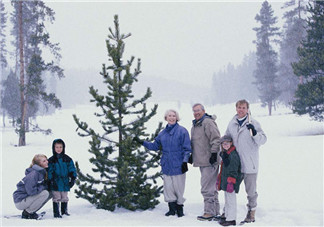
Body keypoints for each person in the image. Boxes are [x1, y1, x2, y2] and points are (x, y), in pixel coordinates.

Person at [133, 109, 192, 217]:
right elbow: (154, 146)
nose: (172, 117)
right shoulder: (162, 134)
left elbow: (187, 148)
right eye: (169, 115)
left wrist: (185, 162)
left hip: (179, 164)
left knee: (178, 187)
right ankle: (171, 208)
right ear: (166, 118)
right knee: (168, 187)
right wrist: (142, 142)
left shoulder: (182, 131)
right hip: (166, 165)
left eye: (174, 116)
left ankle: (179, 209)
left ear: (177, 117)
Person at [224, 99, 267, 224]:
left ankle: (251, 212)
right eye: (239, 107)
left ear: (247, 109)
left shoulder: (253, 123)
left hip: (250, 164)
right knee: (230, 188)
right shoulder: (232, 123)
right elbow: (227, 138)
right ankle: (228, 212)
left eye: (243, 108)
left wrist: (254, 133)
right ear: (236, 108)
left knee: (251, 191)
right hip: (235, 164)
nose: (241, 110)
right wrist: (224, 152)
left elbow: (263, 140)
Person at [190, 103, 221, 221]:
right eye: (194, 111)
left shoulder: (207, 122)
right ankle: (215, 211)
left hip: (209, 161)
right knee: (211, 187)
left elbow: (216, 138)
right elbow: (197, 142)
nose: (196, 112)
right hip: (202, 160)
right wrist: (191, 155)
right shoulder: (196, 125)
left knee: (206, 187)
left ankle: (209, 212)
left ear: (203, 110)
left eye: (198, 110)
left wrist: (214, 154)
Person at [13, 154, 52, 219]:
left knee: (49, 193)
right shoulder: (34, 174)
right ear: (39, 164)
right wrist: (43, 187)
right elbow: (31, 191)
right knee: (45, 193)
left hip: (26, 198)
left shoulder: (41, 172)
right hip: (20, 201)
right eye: (44, 161)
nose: (47, 162)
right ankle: (28, 212)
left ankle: (31, 211)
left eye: (46, 160)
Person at [216, 135, 243, 226]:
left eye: (227, 143)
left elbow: (234, 169)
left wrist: (231, 181)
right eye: (223, 144)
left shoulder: (233, 155)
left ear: (231, 143)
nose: (225, 145)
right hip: (226, 181)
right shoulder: (226, 154)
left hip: (230, 182)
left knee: (231, 200)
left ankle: (231, 219)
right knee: (227, 200)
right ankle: (227, 217)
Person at [48, 139, 77, 218]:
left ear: (63, 148)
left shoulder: (67, 159)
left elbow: (72, 168)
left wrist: (73, 177)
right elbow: (49, 171)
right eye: (57, 147)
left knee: (64, 197)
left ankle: (64, 211)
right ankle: (56, 213)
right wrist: (50, 180)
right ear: (53, 148)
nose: (59, 149)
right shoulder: (51, 160)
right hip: (55, 182)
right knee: (56, 197)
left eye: (60, 147)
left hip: (65, 181)